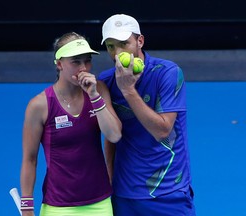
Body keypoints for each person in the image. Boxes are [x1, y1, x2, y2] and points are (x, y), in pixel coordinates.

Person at [98, 14, 196, 216]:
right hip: (125, 194)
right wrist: (109, 177)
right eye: (110, 46)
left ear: (140, 41)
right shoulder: (106, 81)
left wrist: (128, 91)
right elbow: (112, 135)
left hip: (169, 192)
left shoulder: (167, 73)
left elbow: (162, 130)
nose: (117, 53)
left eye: (124, 43)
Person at [20, 32, 122, 216]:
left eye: (87, 60)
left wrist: (94, 97)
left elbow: (114, 135)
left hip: (100, 203)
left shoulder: (98, 90)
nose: (84, 67)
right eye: (76, 62)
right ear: (59, 64)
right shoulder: (39, 105)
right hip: (58, 207)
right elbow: (30, 159)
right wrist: (27, 207)